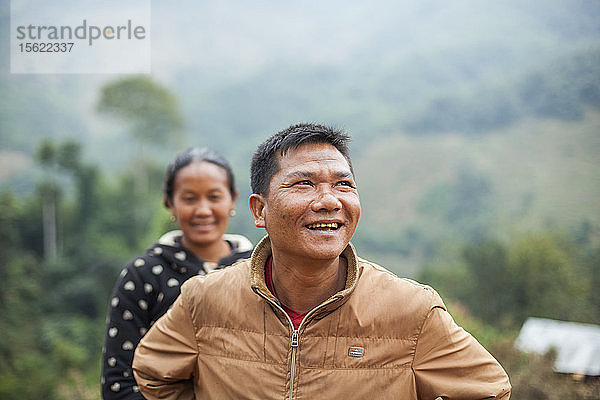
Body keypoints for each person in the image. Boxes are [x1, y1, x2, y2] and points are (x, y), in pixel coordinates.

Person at [132, 124, 511, 399]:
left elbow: (490, 391)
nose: (330, 200)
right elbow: (152, 372)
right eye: (304, 184)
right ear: (259, 209)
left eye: (343, 184)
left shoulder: (412, 310)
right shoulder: (204, 298)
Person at [101, 147, 253, 399]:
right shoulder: (144, 274)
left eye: (214, 197)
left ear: (232, 199)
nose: (203, 210)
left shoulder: (258, 269)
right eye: (189, 198)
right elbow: (119, 384)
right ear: (169, 202)